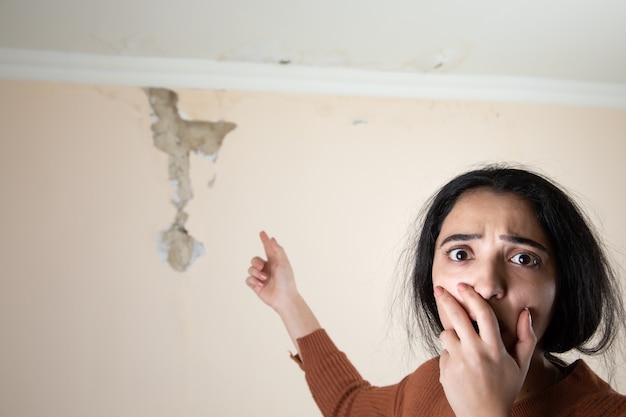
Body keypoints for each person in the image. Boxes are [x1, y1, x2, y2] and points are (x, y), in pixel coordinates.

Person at [245, 166, 626, 417]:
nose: (488, 285)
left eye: (523, 259)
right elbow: (349, 405)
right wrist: (286, 300)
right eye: (460, 254)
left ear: (565, 284)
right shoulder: (431, 383)